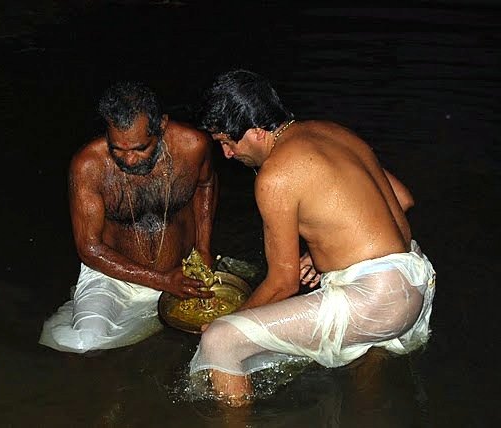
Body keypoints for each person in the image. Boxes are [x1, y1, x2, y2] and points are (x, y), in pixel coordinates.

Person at [189, 69, 436, 407]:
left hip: (377, 300)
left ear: (256, 132)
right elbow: (403, 199)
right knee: (362, 365)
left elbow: (282, 283)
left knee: (221, 341)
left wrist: (232, 319)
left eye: (226, 142)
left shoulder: (274, 176)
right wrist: (324, 249)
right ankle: (369, 409)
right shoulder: (333, 132)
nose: (228, 155)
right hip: (415, 281)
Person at [39, 81, 218, 353]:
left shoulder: (193, 146)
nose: (129, 160)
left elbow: (206, 185)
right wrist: (163, 281)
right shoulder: (88, 166)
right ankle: (84, 306)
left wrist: (203, 249)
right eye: (117, 149)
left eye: (139, 148)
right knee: (84, 344)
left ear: (161, 126)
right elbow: (89, 248)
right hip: (112, 281)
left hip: (181, 273)